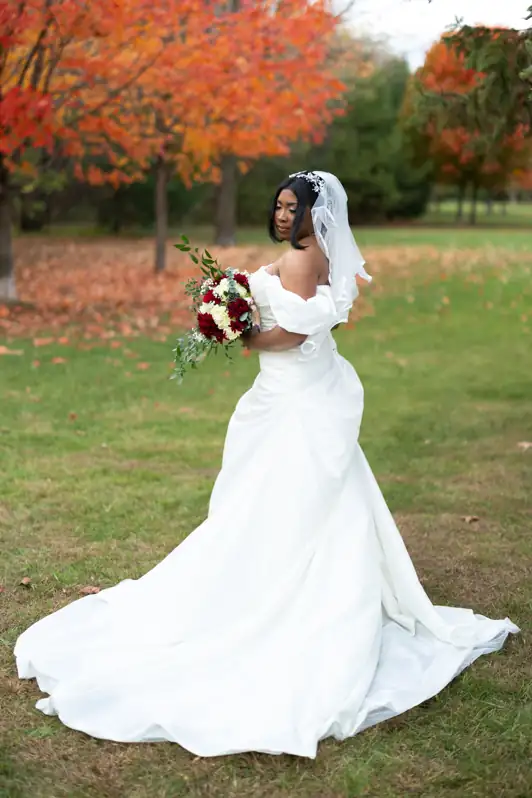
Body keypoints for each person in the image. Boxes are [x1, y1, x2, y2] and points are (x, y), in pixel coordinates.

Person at [14, 170, 518, 759]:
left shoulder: (306, 260)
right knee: (300, 496)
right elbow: (276, 289)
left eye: (290, 207)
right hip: (295, 394)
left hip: (296, 399)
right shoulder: (306, 253)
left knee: (289, 497)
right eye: (277, 206)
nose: (281, 215)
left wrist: (240, 330)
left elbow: (290, 334)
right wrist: (231, 294)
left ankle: (286, 594)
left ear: (312, 212)